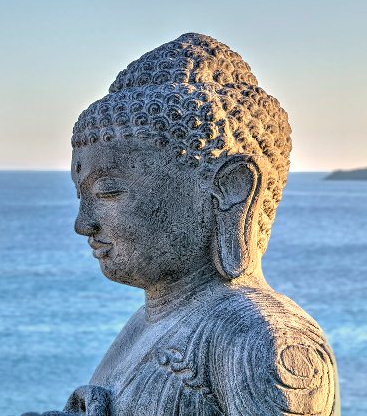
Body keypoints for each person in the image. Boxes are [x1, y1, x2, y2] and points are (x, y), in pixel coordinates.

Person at [23, 33, 339, 416]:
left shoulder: (262, 341)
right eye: (81, 196)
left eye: (108, 192)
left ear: (231, 188)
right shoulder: (149, 323)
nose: (83, 223)